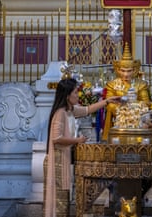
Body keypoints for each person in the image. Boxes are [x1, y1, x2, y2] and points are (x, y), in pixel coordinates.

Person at [43, 78, 120, 217]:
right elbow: (56, 139)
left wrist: (107, 101)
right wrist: (77, 140)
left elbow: (87, 110)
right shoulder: (60, 113)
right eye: (75, 93)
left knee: (64, 198)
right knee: (60, 200)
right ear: (67, 96)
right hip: (57, 161)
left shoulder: (70, 110)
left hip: (63, 159)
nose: (78, 95)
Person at [102, 43, 152, 141]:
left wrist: (133, 108)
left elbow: (146, 103)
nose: (126, 74)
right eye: (123, 71)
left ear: (134, 70)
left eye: (129, 71)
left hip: (137, 119)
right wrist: (123, 111)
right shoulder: (112, 84)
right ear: (118, 70)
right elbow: (109, 103)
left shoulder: (141, 84)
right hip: (119, 119)